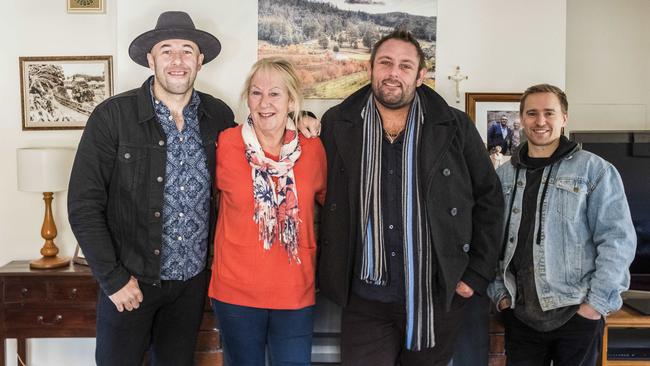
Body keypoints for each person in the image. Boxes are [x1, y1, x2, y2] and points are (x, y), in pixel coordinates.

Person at [68, 12, 317, 366]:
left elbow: (262, 141)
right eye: (166, 50)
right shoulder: (113, 117)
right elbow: (83, 204)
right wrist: (113, 278)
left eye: (187, 50)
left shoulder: (217, 117)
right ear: (150, 59)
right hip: (131, 281)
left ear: (199, 61)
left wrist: (300, 118)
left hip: (189, 287)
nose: (177, 60)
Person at [317, 29, 505, 366]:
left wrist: (474, 276)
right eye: (385, 63)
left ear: (420, 77)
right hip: (364, 297)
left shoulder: (455, 126)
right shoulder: (337, 123)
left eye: (405, 66)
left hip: (435, 294)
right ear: (371, 69)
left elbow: (489, 199)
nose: (393, 73)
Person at [487, 84, 637, 365]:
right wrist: (501, 298)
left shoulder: (595, 171)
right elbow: (491, 240)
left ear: (564, 118)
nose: (540, 121)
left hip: (577, 315)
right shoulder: (504, 175)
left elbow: (617, 242)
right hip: (520, 317)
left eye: (549, 113)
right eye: (532, 113)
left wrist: (594, 306)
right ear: (522, 118)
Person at [207, 57, 326, 366]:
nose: (264, 102)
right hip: (235, 292)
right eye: (256, 92)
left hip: (295, 290)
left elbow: (334, 207)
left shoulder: (313, 149)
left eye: (275, 93)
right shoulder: (226, 143)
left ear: (291, 101)